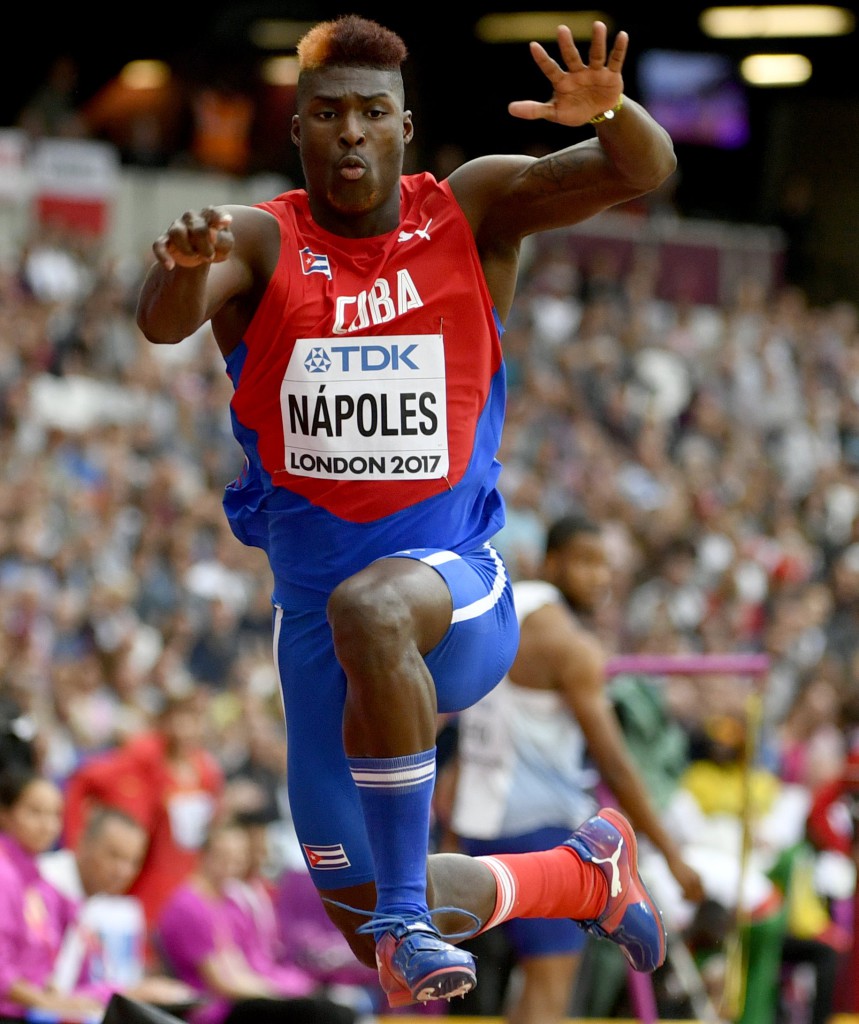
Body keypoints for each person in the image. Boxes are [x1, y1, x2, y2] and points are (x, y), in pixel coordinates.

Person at [135, 13, 678, 1010]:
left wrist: (610, 112)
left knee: (375, 612)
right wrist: (177, 265)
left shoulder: (469, 210)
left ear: (404, 126)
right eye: (329, 114)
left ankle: (409, 916)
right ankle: (580, 876)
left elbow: (642, 167)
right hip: (315, 634)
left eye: (371, 114)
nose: (351, 133)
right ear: (296, 130)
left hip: (455, 592)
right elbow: (163, 321)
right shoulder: (258, 241)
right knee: (362, 918)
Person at [447, 512, 706, 1024]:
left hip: (475, 823)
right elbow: (613, 762)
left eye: (606, 566)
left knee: (490, 995)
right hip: (542, 835)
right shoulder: (572, 646)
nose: (600, 578)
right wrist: (673, 856)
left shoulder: (500, 606)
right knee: (549, 992)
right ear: (550, 561)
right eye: (586, 563)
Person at [155, 819, 357, 1024]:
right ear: (204, 854)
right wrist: (277, 993)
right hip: (215, 1009)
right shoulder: (189, 906)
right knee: (325, 1013)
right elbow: (221, 982)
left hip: (238, 997)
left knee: (330, 1007)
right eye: (223, 856)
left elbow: (239, 966)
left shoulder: (224, 901)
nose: (230, 865)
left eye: (237, 858)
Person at [62, 687, 224, 932]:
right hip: (143, 877)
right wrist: (75, 843)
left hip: (184, 876)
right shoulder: (141, 756)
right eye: (182, 718)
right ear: (166, 721)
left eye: (196, 719)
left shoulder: (207, 772)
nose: (188, 728)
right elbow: (84, 780)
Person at [38, 807, 197, 1011]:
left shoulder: (93, 900)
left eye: (133, 861)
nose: (123, 871)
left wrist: (135, 990)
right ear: (83, 843)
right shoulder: (48, 886)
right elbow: (47, 992)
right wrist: (131, 993)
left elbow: (81, 985)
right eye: (114, 856)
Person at [0, 766, 110, 1023]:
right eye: (35, 812)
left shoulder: (40, 883)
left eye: (55, 815)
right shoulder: (4, 874)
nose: (48, 825)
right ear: (4, 813)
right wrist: (51, 1002)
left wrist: (58, 998)